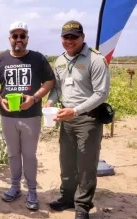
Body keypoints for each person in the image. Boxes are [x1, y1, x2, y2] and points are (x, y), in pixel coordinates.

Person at [0, 21, 55, 211]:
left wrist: (34, 98)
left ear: (27, 38)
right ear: (10, 39)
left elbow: (49, 81)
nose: (18, 39)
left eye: (22, 36)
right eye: (14, 36)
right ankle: (15, 186)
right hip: (8, 116)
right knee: (13, 153)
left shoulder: (38, 59)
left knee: (29, 154)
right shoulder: (1, 60)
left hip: (31, 115)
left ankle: (32, 190)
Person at [45, 20, 111, 219]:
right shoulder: (60, 61)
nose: (70, 41)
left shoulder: (96, 60)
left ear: (83, 37)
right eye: (66, 37)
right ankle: (67, 198)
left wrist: (75, 110)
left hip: (88, 119)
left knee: (86, 164)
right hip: (66, 119)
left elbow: (101, 93)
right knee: (66, 161)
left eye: (74, 37)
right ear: (61, 39)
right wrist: (50, 102)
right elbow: (57, 88)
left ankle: (82, 207)